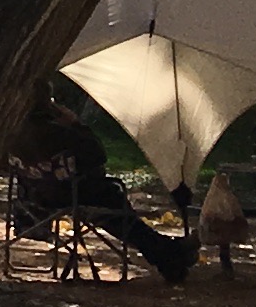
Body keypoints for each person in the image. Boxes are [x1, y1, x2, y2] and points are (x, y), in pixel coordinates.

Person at [18, 89, 196, 283]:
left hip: (36, 196)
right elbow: (98, 155)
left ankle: (170, 253)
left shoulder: (12, 135)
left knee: (115, 210)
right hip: (73, 195)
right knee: (115, 209)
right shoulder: (60, 133)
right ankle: (170, 255)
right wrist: (76, 123)